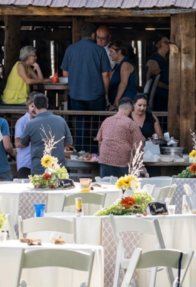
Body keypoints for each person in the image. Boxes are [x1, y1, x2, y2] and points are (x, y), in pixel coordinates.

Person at [61, 23, 111, 151]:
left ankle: (80, 153)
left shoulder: (71, 49)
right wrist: (106, 94)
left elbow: (65, 73)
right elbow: (105, 74)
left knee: (80, 125)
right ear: (93, 35)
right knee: (97, 125)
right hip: (96, 94)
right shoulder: (99, 50)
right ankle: (96, 153)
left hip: (76, 94)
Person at [19, 94, 73, 175]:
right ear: (47, 105)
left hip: (38, 169)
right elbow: (69, 143)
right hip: (58, 167)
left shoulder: (31, 124)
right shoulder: (61, 120)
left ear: (34, 107)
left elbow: (23, 143)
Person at [95, 97, 145, 177]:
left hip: (105, 159)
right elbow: (139, 144)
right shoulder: (131, 123)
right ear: (130, 108)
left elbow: (99, 141)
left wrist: (102, 156)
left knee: (105, 185)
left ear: (119, 107)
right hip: (122, 160)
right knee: (122, 186)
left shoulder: (106, 121)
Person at [14, 92, 38, 179]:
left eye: (36, 106)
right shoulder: (22, 121)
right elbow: (17, 143)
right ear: (28, 106)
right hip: (25, 164)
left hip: (40, 164)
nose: (34, 109)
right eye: (32, 106)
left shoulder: (42, 120)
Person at [108, 41, 137, 108]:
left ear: (119, 52)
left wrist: (117, 99)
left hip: (125, 100)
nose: (109, 54)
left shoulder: (125, 64)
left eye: (111, 51)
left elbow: (123, 83)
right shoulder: (118, 65)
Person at [146, 36, 170, 111]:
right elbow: (151, 80)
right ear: (158, 44)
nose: (168, 44)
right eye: (166, 42)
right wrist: (168, 87)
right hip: (157, 96)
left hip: (165, 95)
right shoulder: (154, 59)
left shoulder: (166, 59)